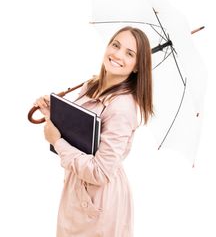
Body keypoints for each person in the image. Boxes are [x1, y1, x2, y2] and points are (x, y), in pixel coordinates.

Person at [35, 26, 153, 237]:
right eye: (116, 45)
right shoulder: (92, 85)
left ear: (137, 67)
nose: (117, 54)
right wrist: (52, 113)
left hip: (100, 202)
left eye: (129, 53)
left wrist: (57, 142)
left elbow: (100, 172)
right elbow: (80, 134)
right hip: (77, 189)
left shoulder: (122, 109)